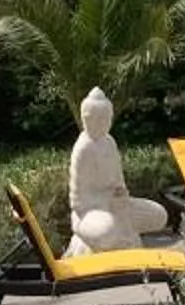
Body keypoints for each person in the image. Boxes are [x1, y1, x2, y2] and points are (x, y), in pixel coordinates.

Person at [65, 87, 170, 255]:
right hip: (89, 213)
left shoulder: (109, 142)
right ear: (87, 119)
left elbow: (118, 182)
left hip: (117, 207)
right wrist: (106, 200)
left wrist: (121, 194)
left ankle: (124, 236)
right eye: (98, 119)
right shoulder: (83, 148)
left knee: (159, 215)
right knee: (107, 231)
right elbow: (77, 202)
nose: (104, 123)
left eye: (107, 118)